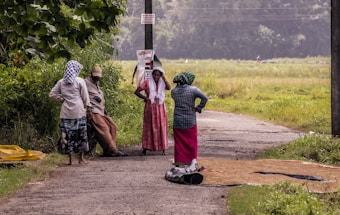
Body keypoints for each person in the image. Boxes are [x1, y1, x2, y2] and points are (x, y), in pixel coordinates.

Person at [49, 60, 90, 165]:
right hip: (79, 110)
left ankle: (70, 160)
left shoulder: (61, 82)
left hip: (66, 112)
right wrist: (87, 106)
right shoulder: (80, 81)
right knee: (81, 134)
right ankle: (81, 159)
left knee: (68, 135)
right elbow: (85, 96)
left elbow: (52, 94)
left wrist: (62, 100)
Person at [85, 66, 127, 157]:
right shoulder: (85, 83)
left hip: (101, 111)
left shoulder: (96, 84)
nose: (97, 78)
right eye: (95, 76)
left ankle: (109, 149)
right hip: (93, 111)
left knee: (113, 126)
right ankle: (113, 150)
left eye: (98, 77)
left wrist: (105, 111)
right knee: (103, 129)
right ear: (91, 74)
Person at [171, 71, 208, 167]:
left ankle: (179, 161)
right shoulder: (193, 90)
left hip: (177, 120)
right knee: (191, 142)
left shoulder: (174, 91)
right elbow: (205, 98)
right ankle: (192, 161)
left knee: (179, 142)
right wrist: (198, 108)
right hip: (190, 120)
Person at [134, 67, 171, 155]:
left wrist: (164, 78)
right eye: (154, 75)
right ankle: (146, 147)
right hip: (150, 107)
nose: (156, 77)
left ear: (160, 76)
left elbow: (169, 88)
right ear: (152, 75)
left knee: (161, 126)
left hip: (160, 106)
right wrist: (146, 98)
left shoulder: (163, 83)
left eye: (158, 75)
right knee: (149, 126)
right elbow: (137, 92)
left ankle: (163, 148)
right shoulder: (147, 82)